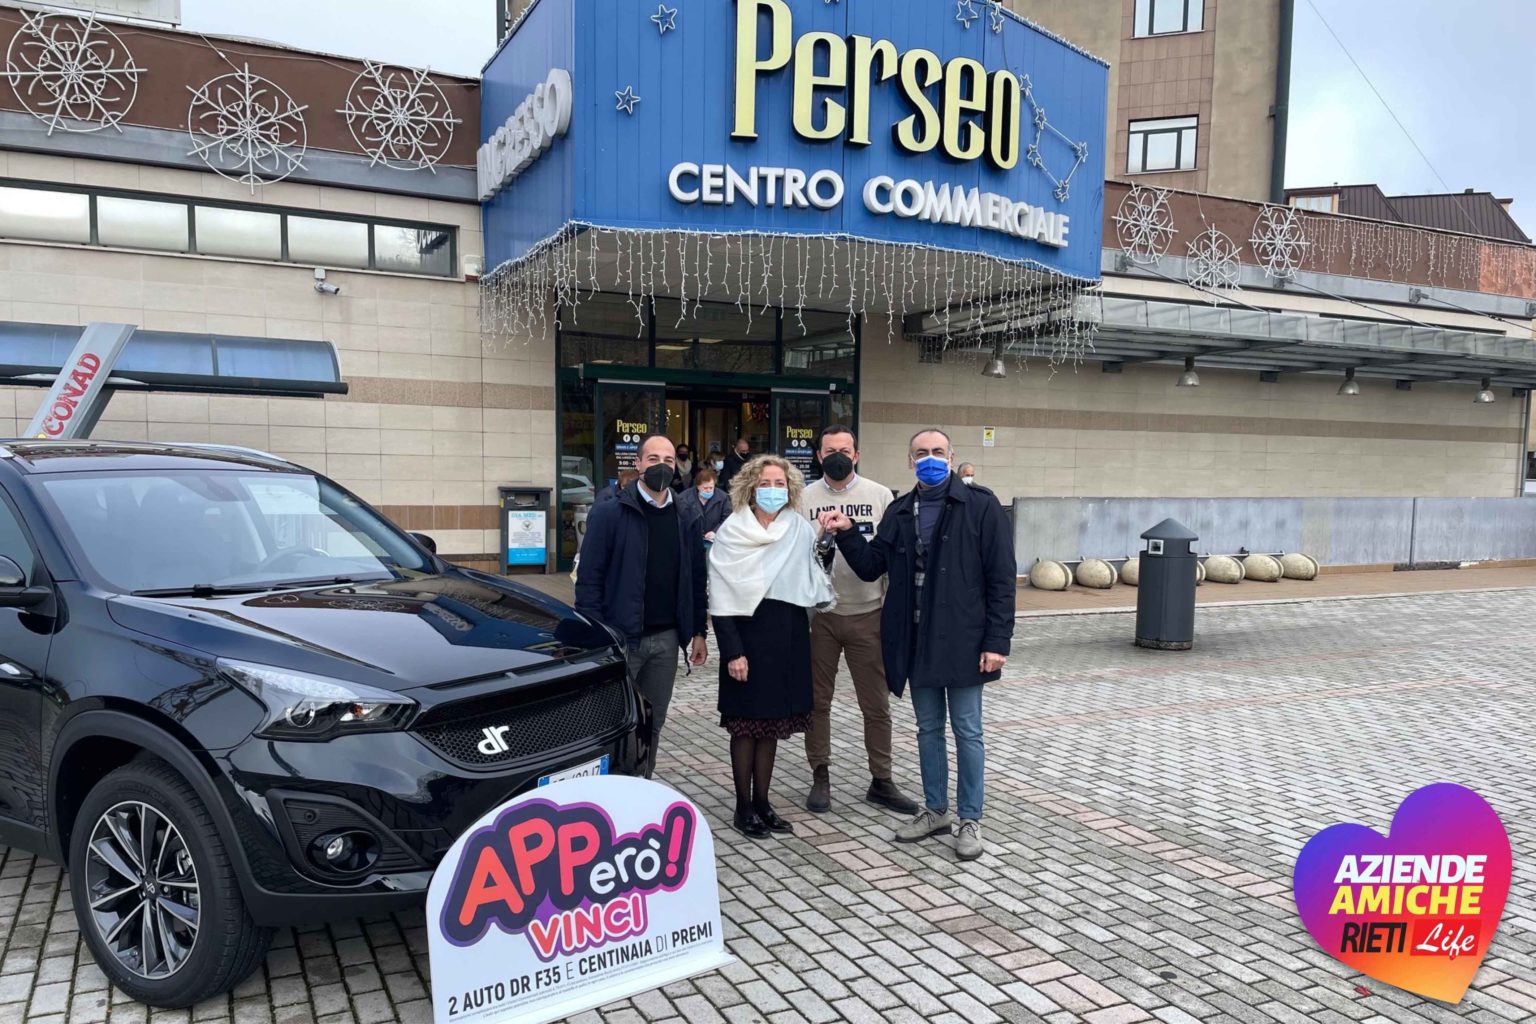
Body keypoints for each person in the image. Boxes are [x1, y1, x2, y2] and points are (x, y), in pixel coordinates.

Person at [819, 429, 1015, 861]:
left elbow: (1001, 578)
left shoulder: (981, 506)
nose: (930, 459)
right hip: (917, 640)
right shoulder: (901, 510)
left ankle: (970, 818)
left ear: (951, 457)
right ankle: (936, 810)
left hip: (964, 640)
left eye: (937, 452)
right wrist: (848, 533)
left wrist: (997, 641)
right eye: (921, 453)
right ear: (910, 461)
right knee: (928, 729)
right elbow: (872, 566)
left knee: (968, 730)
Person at [708, 455, 835, 839]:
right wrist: (732, 651)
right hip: (746, 635)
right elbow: (720, 593)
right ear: (750, 486)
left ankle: (763, 802)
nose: (773, 490)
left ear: (790, 488)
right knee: (745, 725)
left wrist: (826, 543)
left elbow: (814, 575)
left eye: (780, 483)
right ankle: (743, 807)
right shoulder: (733, 530)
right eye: (765, 483)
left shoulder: (798, 528)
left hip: (787, 635)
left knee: (769, 726)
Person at [799, 425, 917, 816]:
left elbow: (889, 556)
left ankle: (881, 780)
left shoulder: (880, 496)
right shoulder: (803, 498)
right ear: (819, 456)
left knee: (876, 705)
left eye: (845, 450)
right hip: (820, 617)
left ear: (857, 455)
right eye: (830, 450)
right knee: (817, 702)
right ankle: (820, 774)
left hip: (868, 614)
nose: (838, 456)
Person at [577, 437, 708, 775]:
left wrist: (698, 631)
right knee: (610, 724)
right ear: (637, 464)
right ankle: (607, 793)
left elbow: (696, 578)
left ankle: (642, 786)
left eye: (669, 459)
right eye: (653, 458)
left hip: (666, 640)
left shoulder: (686, 514)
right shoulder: (610, 512)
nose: (661, 466)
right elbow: (590, 580)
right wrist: (596, 636)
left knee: (652, 723)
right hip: (621, 639)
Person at [679, 466, 731, 544]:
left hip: (714, 540)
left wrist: (715, 531)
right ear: (698, 486)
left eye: (711, 488)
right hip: (690, 540)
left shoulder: (723, 497)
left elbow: (727, 518)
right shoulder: (684, 497)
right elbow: (680, 520)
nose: (708, 491)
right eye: (705, 488)